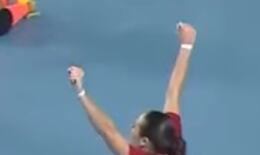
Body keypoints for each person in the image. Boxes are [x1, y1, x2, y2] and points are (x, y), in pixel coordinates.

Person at [67, 23, 196, 155]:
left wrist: (80, 90)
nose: (131, 127)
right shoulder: (171, 137)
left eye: (135, 127)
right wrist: (186, 45)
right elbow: (174, 91)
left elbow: (108, 131)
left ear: (144, 142)